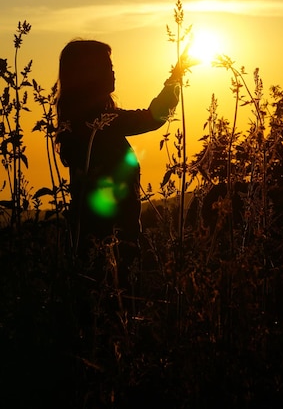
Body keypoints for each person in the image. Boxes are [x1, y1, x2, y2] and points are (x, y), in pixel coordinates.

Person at [55, 38, 187, 303]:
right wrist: (176, 76)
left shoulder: (84, 123)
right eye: (106, 66)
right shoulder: (96, 125)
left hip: (102, 244)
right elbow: (154, 117)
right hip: (108, 246)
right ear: (86, 74)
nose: (113, 71)